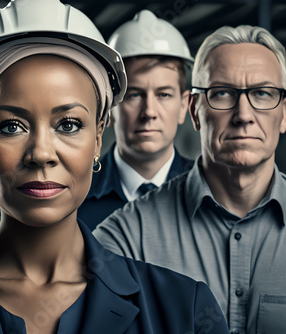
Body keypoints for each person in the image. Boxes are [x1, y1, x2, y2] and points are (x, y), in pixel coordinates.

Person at [0, 1, 228, 333]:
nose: (41, 153)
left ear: (98, 138)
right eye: (11, 126)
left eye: (68, 124)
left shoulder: (186, 312)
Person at [94, 25, 286, 334]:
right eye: (222, 93)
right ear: (195, 110)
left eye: (263, 93)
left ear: (285, 113)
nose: (244, 114)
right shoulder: (124, 238)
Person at [0, 10, 195, 230]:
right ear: (109, 107)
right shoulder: (43, 194)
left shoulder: (212, 191)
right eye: (134, 95)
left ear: (183, 106)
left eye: (164, 95)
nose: (149, 112)